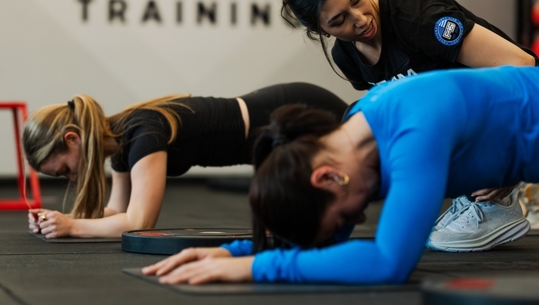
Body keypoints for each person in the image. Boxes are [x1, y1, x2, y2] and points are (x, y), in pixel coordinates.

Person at [143, 65, 539, 285]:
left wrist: (255, 268)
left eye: (345, 216)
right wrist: (235, 252)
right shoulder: (353, 142)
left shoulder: (413, 130)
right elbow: (327, 244)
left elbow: (389, 263)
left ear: (327, 178)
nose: (359, 218)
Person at [272, 0, 539, 251]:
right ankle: (474, 191)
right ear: (323, 31)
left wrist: (510, 163)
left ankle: (505, 197)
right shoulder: (347, 57)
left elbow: (523, 66)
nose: (360, 19)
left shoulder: (418, 18)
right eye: (339, 20)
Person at [23, 83, 348, 238]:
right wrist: (60, 219)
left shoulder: (142, 133)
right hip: (279, 131)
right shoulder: (119, 141)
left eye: (64, 169)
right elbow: (118, 210)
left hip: (297, 111)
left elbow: (138, 222)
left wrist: (72, 227)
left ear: (72, 138)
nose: (72, 177)